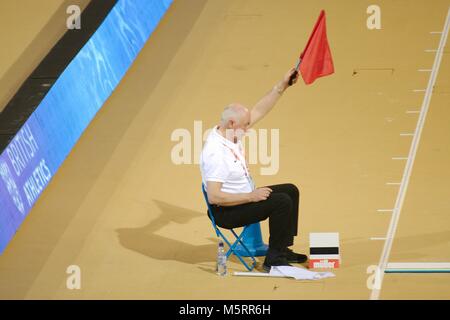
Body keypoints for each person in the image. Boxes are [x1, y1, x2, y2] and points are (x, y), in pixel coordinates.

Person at [200, 68, 307, 272]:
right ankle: (273, 259)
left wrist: (282, 85)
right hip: (228, 210)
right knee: (281, 202)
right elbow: (214, 197)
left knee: (290, 191)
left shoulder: (231, 131)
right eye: (245, 125)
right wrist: (251, 196)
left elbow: (259, 109)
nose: (248, 129)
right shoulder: (215, 152)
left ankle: (282, 248)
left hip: (243, 199)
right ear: (232, 123)